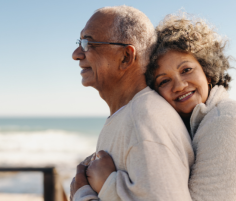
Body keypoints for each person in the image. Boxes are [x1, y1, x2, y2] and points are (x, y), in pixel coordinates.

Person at [84, 13, 236, 200]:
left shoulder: (229, 122)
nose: (179, 85)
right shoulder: (197, 125)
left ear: (207, 71)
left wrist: (107, 185)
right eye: (164, 81)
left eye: (187, 69)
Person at [71, 6, 194, 201]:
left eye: (88, 43)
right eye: (80, 42)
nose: (76, 54)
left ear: (126, 57)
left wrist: (82, 195)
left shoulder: (144, 121)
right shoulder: (132, 115)